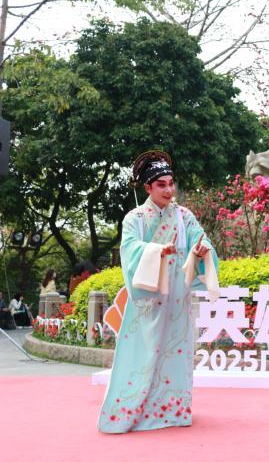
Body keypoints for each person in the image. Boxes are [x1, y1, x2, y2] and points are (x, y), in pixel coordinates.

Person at [98, 150, 219, 434]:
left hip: (176, 296)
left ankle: (172, 411)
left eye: (170, 183)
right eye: (161, 185)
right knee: (142, 353)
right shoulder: (135, 218)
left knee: (176, 352)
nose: (168, 190)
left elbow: (201, 242)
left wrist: (201, 251)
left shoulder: (185, 216)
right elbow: (130, 249)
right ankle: (132, 411)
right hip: (148, 299)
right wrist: (156, 252)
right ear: (148, 188)